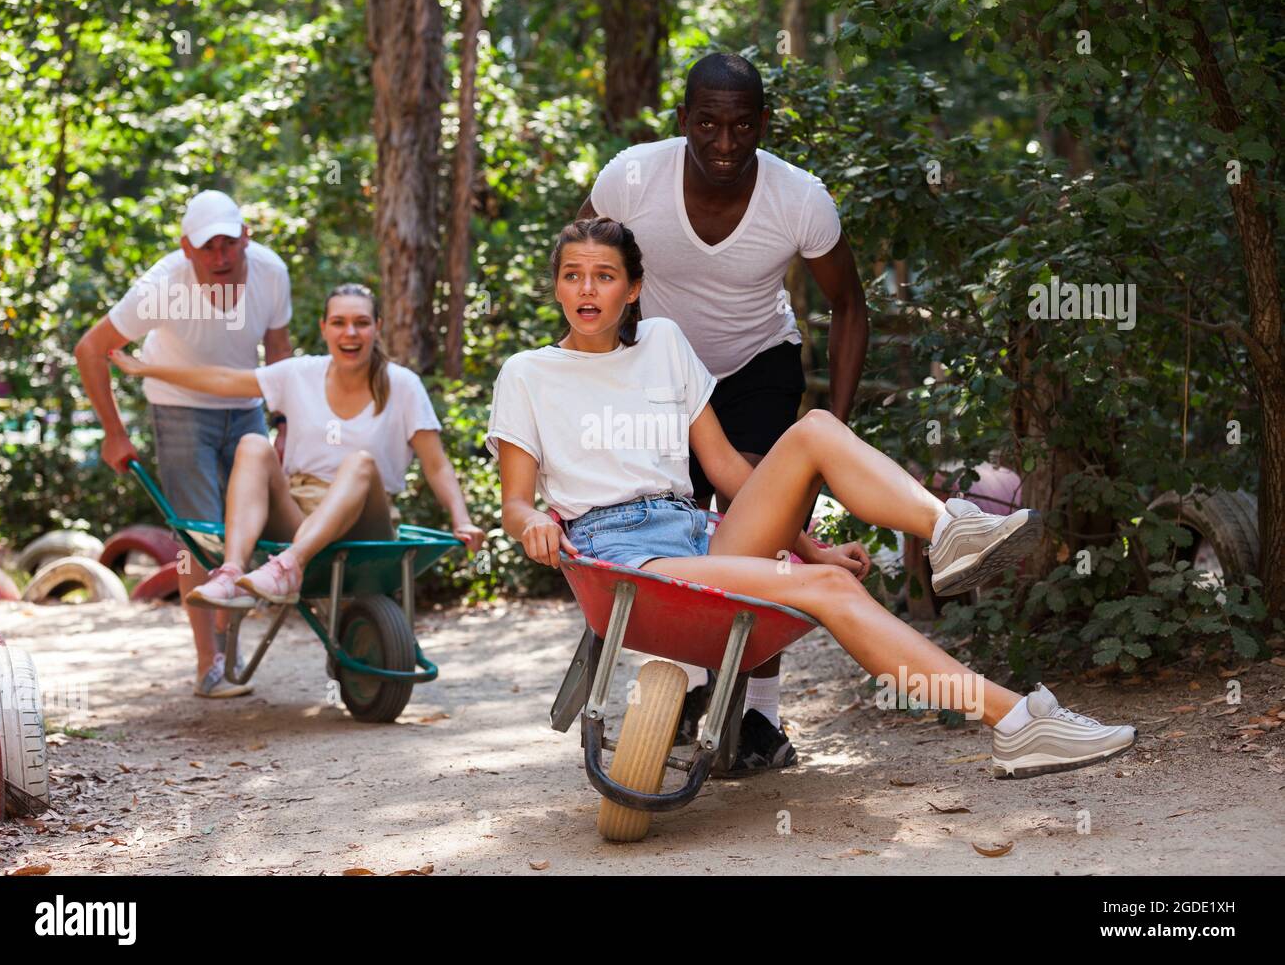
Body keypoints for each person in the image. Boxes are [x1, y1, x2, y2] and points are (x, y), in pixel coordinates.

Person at [487, 218, 1135, 781]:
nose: (586, 289)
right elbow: (516, 501)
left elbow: (726, 469)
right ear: (557, 287)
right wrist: (532, 525)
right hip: (623, 556)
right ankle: (1016, 718)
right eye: (572, 275)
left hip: (698, 535)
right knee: (830, 590)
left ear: (633, 289)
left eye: (604, 275)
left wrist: (809, 545)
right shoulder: (528, 374)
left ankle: (949, 528)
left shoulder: (664, 345)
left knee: (815, 429)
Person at [579, 53, 870, 767]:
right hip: (659, 373)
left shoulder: (799, 199)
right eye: (707, 123)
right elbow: (582, 267)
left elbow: (850, 305)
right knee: (673, 535)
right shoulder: (633, 178)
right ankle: (689, 692)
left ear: (763, 124)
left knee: (765, 531)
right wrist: (587, 377)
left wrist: (830, 428)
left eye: (742, 126)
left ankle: (758, 720)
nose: (725, 142)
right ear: (682, 121)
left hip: (757, 367)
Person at [110, 283, 485, 618]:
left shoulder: (402, 386)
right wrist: (148, 370)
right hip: (299, 513)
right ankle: (231, 574)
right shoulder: (298, 374)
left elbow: (436, 465)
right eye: (338, 322)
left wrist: (461, 518)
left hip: (366, 520)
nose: (350, 333)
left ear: (377, 327)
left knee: (359, 462)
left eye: (361, 322)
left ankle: (289, 567)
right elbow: (223, 379)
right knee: (254, 444)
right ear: (324, 329)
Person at [75, 190, 294, 698]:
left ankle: (229, 641)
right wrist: (114, 432)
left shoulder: (270, 272)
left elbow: (279, 350)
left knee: (246, 528)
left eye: (228, 244)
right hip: (179, 409)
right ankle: (209, 665)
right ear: (186, 248)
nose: (220, 257)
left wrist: (285, 423)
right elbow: (91, 348)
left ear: (247, 237)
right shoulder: (161, 284)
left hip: (246, 403)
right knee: (198, 535)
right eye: (207, 247)